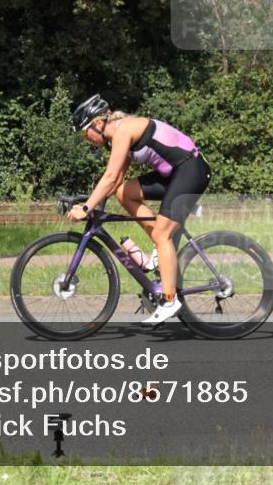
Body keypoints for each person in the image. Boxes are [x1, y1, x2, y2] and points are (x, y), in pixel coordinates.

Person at [69, 94, 211, 324]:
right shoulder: (117, 135)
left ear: (96, 123)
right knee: (125, 192)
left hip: (191, 170)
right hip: (175, 174)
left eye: (86, 134)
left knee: (161, 234)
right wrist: (91, 201)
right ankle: (160, 252)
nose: (88, 139)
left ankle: (169, 300)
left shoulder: (122, 130)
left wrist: (86, 208)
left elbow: (110, 175)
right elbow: (115, 183)